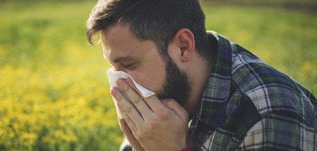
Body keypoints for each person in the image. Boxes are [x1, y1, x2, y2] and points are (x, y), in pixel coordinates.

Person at [85, 0, 317, 150]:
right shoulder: (164, 103)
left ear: (183, 46)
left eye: (128, 64)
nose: (117, 86)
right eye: (114, 68)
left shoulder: (267, 112)